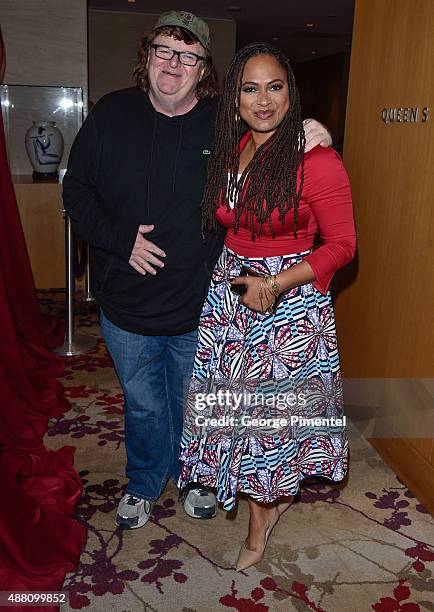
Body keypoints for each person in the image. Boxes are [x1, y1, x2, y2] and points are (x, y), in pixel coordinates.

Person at [63, 11, 332, 530]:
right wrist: (121, 241)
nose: (173, 63)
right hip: (127, 304)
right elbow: (77, 191)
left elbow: (271, 129)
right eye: (164, 49)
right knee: (143, 407)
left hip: (203, 307)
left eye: (187, 55)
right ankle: (144, 481)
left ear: (203, 68)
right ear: (147, 57)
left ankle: (197, 478)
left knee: (199, 406)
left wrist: (311, 128)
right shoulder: (111, 113)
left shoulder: (224, 122)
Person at [178, 41, 356, 570]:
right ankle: (260, 498)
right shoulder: (234, 148)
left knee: (270, 426)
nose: (262, 100)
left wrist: (275, 283)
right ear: (234, 98)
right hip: (231, 298)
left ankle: (258, 525)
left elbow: (342, 245)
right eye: (250, 89)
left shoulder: (316, 159)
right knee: (235, 416)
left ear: (290, 93)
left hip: (288, 306)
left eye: (274, 87)